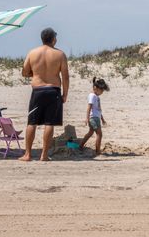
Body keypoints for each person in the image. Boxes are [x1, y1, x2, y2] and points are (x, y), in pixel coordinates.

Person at [20, 27, 69, 162]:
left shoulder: (32, 53)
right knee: (49, 123)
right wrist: (65, 94)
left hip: (38, 90)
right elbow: (65, 77)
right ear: (54, 39)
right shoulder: (60, 54)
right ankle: (44, 155)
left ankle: (28, 154)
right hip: (53, 91)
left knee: (32, 123)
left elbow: (24, 72)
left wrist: (35, 74)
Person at [78, 77, 109, 155]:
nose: (102, 92)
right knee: (99, 134)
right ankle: (97, 151)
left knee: (90, 133)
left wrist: (102, 119)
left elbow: (98, 110)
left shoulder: (96, 97)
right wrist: (87, 118)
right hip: (93, 118)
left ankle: (80, 146)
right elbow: (89, 107)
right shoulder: (92, 96)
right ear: (95, 88)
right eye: (101, 90)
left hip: (96, 117)